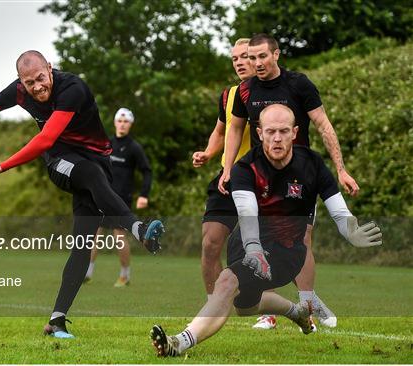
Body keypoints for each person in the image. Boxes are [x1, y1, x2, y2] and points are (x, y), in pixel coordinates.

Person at [0, 50, 164, 339]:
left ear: (50, 69)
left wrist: (4, 164)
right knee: (90, 175)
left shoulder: (73, 89)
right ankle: (139, 229)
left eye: (40, 78)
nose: (37, 87)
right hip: (61, 161)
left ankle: (56, 320)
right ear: (21, 82)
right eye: (29, 83)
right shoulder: (19, 92)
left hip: (97, 164)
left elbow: (45, 136)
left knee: (83, 240)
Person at [150, 104, 382, 357]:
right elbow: (247, 212)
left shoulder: (312, 164)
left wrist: (351, 232)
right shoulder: (244, 168)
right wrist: (253, 249)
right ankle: (299, 313)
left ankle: (179, 343)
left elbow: (337, 209)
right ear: (259, 133)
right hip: (247, 243)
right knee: (245, 306)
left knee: (227, 282)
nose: (277, 138)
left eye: (284, 131)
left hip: (287, 252)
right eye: (271, 131)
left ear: (294, 132)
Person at [218, 34, 359, 329]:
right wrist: (227, 168)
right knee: (260, 239)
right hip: (261, 178)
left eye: (261, 57)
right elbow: (235, 129)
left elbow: (323, 125)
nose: (255, 63)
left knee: (302, 239)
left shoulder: (299, 84)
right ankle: (269, 311)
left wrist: (341, 169)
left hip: (300, 177)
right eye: (250, 58)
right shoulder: (245, 90)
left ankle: (308, 302)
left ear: (276, 55)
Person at [192, 38, 253, 299]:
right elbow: (220, 131)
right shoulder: (229, 95)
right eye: (235, 58)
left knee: (256, 248)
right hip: (227, 177)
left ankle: (268, 310)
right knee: (210, 244)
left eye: (245, 56)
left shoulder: (272, 94)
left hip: (260, 181)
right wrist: (207, 153)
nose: (239, 62)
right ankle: (214, 306)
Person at [85, 107, 153, 287]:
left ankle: (125, 275)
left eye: (126, 122)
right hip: (101, 195)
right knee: (94, 235)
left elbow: (147, 171)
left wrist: (144, 195)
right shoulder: (106, 143)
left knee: (118, 237)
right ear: (115, 122)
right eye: (120, 121)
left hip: (121, 198)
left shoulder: (134, 148)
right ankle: (87, 272)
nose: (122, 125)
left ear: (130, 125)